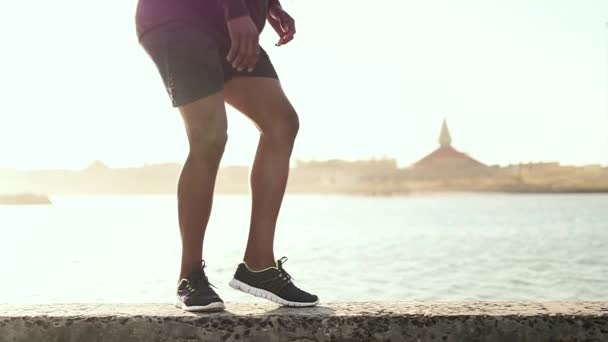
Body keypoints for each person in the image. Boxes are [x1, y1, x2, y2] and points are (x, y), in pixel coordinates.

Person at [135, 0, 318, 312]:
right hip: (182, 18)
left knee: (282, 124)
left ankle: (259, 264)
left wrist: (270, 5)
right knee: (209, 136)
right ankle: (189, 276)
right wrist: (236, 10)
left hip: (232, 21)